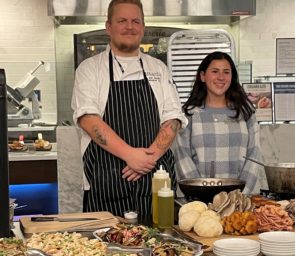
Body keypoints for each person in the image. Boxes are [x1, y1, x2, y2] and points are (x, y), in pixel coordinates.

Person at [71, 0, 187, 218]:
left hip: (155, 180)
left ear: (143, 27)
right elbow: (88, 119)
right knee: (105, 248)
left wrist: (147, 159)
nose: (129, 26)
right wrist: (130, 156)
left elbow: (173, 119)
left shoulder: (158, 68)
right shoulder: (90, 69)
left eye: (136, 21)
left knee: (160, 246)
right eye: (122, 20)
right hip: (106, 180)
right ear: (109, 26)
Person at [172, 51, 267, 195]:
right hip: (200, 201)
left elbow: (254, 154)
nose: (221, 77)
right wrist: (200, 193)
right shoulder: (189, 114)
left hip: (240, 201)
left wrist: (240, 195)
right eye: (215, 71)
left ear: (232, 77)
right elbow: (182, 157)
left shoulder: (246, 112)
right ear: (203, 76)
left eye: (226, 72)